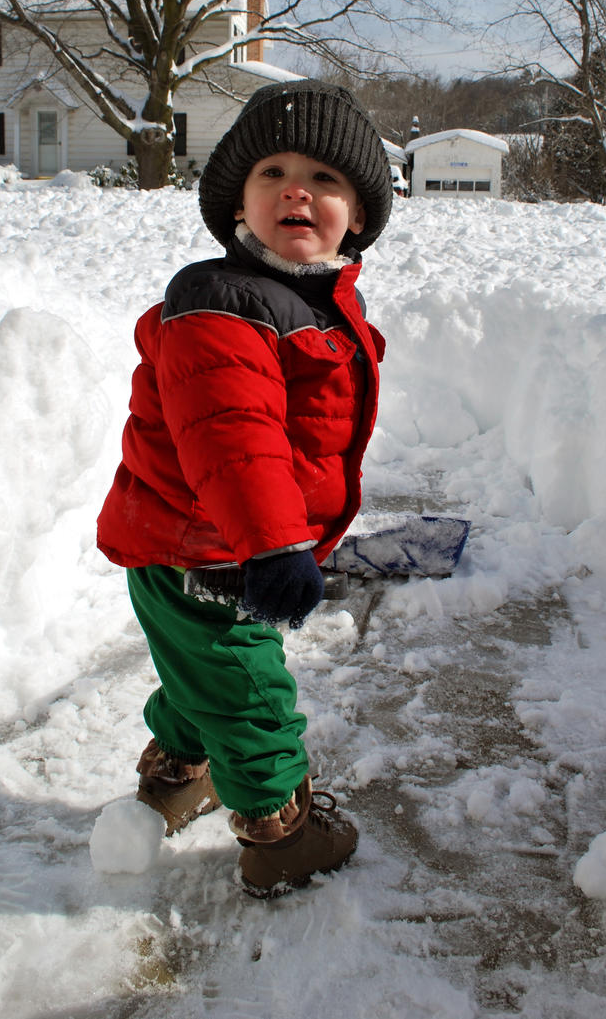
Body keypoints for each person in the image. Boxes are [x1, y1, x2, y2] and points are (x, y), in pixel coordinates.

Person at [96, 78, 392, 896]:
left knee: (208, 673)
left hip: (221, 541)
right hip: (205, 548)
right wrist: (275, 543)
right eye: (273, 173)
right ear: (237, 207)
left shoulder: (314, 300)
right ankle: (279, 832)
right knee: (251, 688)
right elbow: (235, 442)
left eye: (325, 179)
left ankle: (177, 770)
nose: (298, 189)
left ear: (358, 214)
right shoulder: (219, 305)